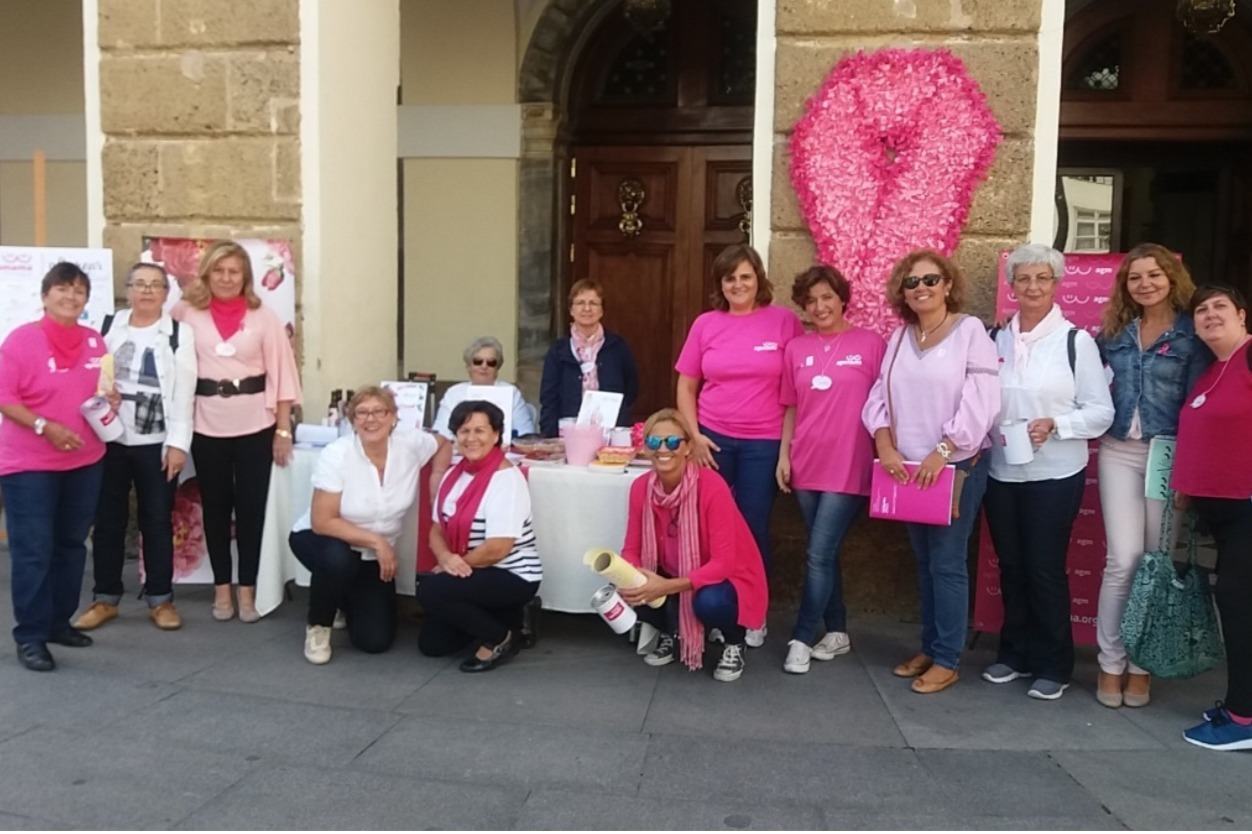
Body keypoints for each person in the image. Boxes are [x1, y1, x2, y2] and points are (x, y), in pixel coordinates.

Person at [861, 249, 1000, 694]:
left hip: (954, 466)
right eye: (911, 282)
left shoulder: (971, 332)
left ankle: (947, 658)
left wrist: (945, 450)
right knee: (923, 563)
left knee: (947, 563)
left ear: (948, 285)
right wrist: (884, 443)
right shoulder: (900, 337)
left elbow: (982, 400)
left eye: (930, 279)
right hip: (907, 468)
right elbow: (879, 395)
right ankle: (930, 646)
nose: (921, 288)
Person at [981, 245, 1113, 700]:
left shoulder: (1076, 342)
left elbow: (1101, 412)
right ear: (1012, 285)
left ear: (1057, 285)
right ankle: (1014, 654)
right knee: (1011, 566)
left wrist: (1057, 424)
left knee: (1043, 568)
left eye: (1042, 278)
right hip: (1002, 471)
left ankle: (1054, 664)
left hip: (1056, 473)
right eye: (1024, 278)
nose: (1033, 287)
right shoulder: (994, 338)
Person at [1094, 243, 1209, 709]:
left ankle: (1141, 668)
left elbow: (1199, 408)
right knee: (1122, 560)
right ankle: (1110, 663)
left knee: (1156, 562)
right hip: (1118, 452)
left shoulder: (1191, 336)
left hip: (1168, 456)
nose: (1145, 284)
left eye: (1154, 275)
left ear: (1171, 278)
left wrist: (1190, 473)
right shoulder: (1114, 333)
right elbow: (1075, 371)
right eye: (1135, 277)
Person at [675, 244, 803, 645]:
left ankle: (753, 612)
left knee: (751, 528)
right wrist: (694, 436)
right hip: (712, 442)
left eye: (746, 276)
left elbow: (795, 391)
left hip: (763, 443)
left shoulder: (784, 322)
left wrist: (786, 449)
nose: (738, 284)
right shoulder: (706, 324)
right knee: (710, 528)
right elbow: (686, 385)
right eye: (730, 278)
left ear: (758, 279)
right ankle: (717, 610)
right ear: (721, 284)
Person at [173, 240, 302, 623]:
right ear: (207, 273)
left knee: (251, 509)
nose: (226, 278)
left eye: (234, 271)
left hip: (256, 425)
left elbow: (282, 374)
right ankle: (221, 588)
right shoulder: (185, 312)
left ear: (245, 276)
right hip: (206, 423)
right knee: (214, 508)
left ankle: (248, 587)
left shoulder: (263, 317)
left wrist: (283, 430)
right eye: (219, 270)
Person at [75, 263, 198, 633]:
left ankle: (160, 599)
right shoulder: (106, 327)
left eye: (155, 285)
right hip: (108, 440)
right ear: (127, 290)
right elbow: (86, 377)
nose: (146, 291)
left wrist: (178, 445)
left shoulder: (179, 334)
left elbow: (184, 394)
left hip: (156, 444)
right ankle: (105, 597)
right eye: (139, 284)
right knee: (107, 522)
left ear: (166, 294)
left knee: (157, 521)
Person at [289, 386, 451, 664]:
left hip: (370, 556)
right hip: (324, 539)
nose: (371, 419)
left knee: (374, 640)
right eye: (361, 413)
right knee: (338, 561)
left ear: (393, 417)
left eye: (379, 411)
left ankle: (339, 597)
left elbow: (444, 443)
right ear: (352, 421)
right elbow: (322, 521)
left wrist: (436, 475)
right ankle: (318, 626)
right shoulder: (337, 453)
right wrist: (378, 542)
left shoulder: (410, 443)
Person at [776, 265, 886, 674]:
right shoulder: (796, 349)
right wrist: (784, 456)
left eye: (826, 297)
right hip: (806, 462)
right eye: (811, 301)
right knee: (825, 553)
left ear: (842, 299)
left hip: (849, 464)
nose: (819, 306)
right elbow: (791, 407)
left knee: (817, 553)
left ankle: (802, 637)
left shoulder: (871, 344)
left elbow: (887, 404)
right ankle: (837, 631)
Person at [0, 263, 109, 672]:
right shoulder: (21, 340)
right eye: (62, 288)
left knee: (71, 545)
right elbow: (5, 398)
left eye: (79, 290)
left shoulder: (95, 341)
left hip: (85, 460)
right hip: (30, 465)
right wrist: (45, 427)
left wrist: (110, 400)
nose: (71, 296)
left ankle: (58, 623)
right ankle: (30, 636)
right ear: (45, 296)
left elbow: (100, 390)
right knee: (33, 550)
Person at [619, 409, 769, 682]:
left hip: (728, 579)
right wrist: (634, 576)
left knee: (710, 602)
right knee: (627, 587)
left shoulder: (711, 486)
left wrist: (665, 587)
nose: (663, 449)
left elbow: (723, 564)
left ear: (688, 448)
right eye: (654, 442)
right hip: (672, 572)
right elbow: (631, 549)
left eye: (672, 442)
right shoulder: (640, 487)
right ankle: (671, 632)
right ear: (646, 448)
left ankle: (735, 642)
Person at [1170, 285, 1252, 751]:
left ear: (1242, 315)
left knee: (1239, 605)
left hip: (1247, 507)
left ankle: (1243, 718)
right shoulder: (1212, 370)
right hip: (1221, 511)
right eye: (1201, 310)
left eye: (1220, 306)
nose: (1210, 314)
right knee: (1239, 606)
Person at [418, 400, 541, 672]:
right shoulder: (454, 474)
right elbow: (436, 529)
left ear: (496, 435)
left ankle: (500, 638)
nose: (470, 438)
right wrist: (445, 558)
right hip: (471, 570)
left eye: (479, 430)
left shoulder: (506, 480)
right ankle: (508, 616)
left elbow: (498, 548)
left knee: (430, 590)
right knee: (432, 645)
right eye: (464, 431)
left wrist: (452, 567)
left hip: (512, 574)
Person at [538, 279, 639, 437]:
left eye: (593, 303)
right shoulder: (558, 351)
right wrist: (550, 437)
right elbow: (548, 398)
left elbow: (631, 389)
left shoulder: (618, 347)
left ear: (602, 310)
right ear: (571, 310)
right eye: (580, 303)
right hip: (568, 434)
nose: (587, 308)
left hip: (611, 432)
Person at [432, 337, 536, 439]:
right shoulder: (453, 393)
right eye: (478, 361)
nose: (484, 366)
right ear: (468, 366)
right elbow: (440, 433)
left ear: (497, 368)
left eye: (491, 362)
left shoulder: (511, 392)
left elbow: (525, 434)